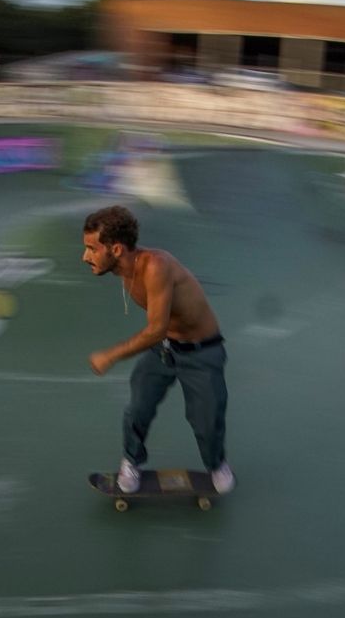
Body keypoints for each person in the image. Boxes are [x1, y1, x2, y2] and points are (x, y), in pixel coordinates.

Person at [82, 205, 233, 494]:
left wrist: (110, 355)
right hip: (165, 350)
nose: (85, 256)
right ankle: (131, 461)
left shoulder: (155, 265)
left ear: (115, 249)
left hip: (202, 352)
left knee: (205, 418)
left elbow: (155, 329)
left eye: (91, 248)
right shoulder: (121, 268)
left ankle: (216, 464)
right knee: (138, 406)